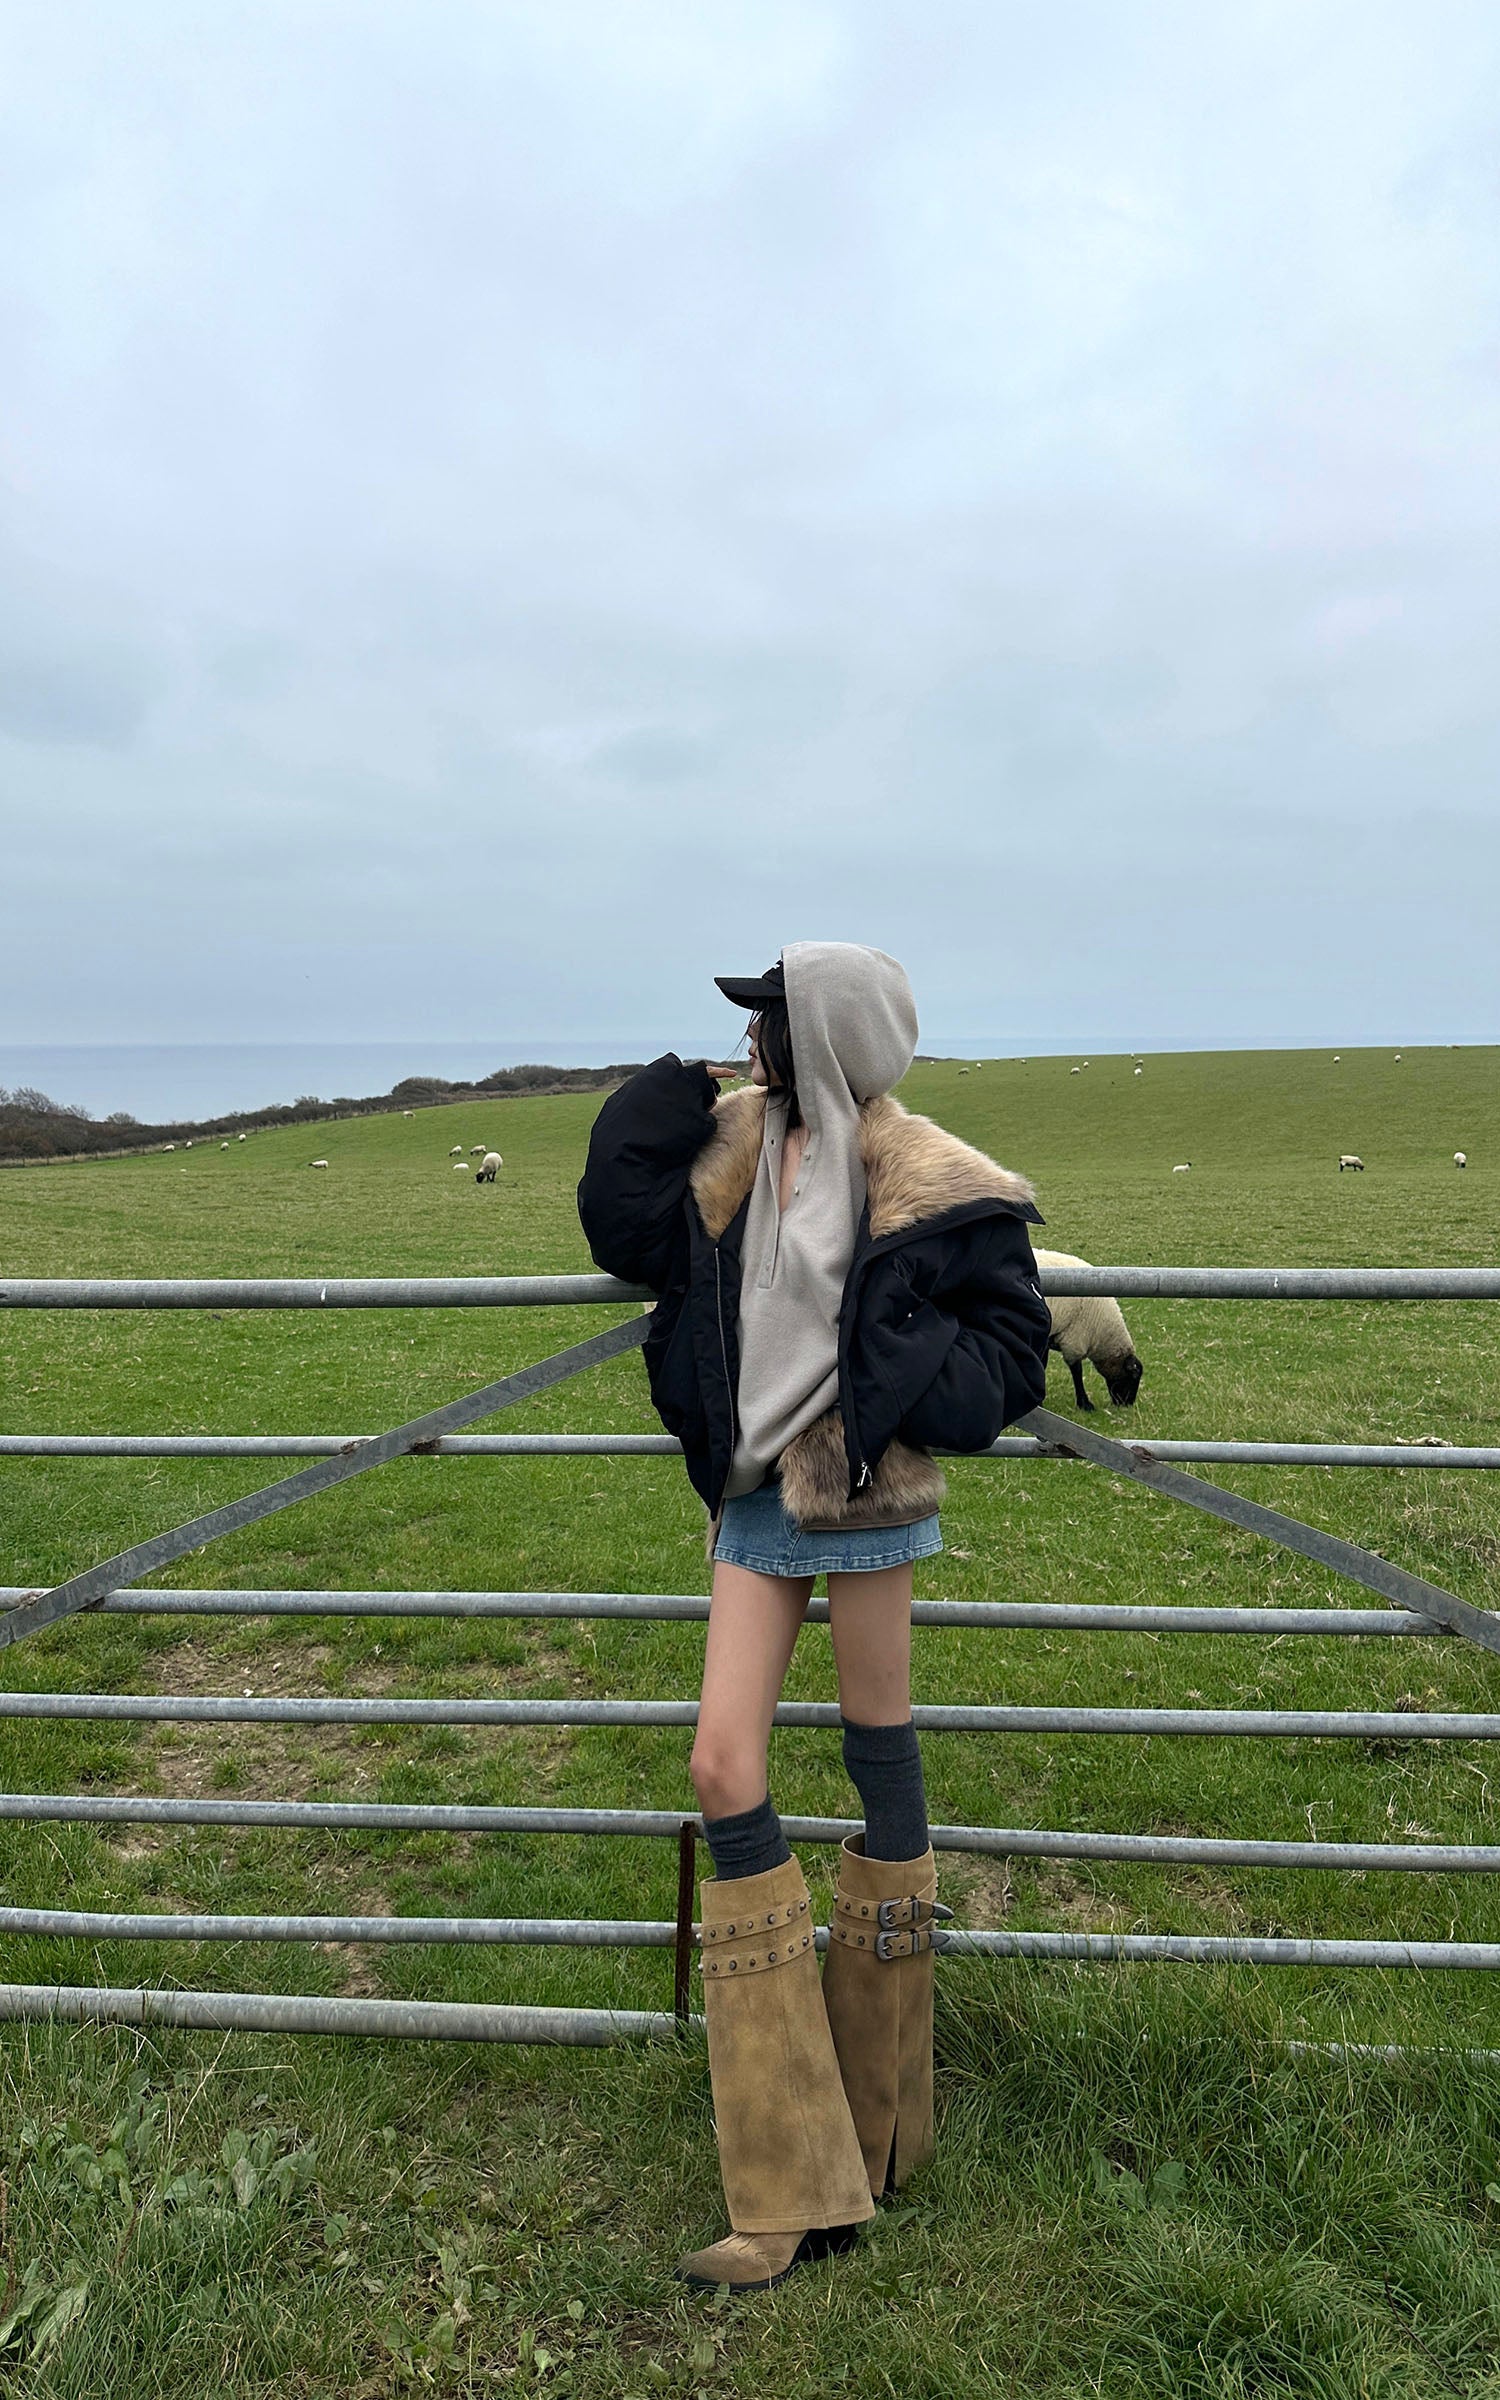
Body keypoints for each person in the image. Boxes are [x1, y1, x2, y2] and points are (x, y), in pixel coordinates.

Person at [577, 942, 1050, 2291]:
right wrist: (665, 1089)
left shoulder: (930, 1176)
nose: (750, 1043)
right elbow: (618, 1224)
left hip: (861, 1490)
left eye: (768, 1022)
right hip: (750, 1500)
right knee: (721, 1765)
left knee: (877, 1756)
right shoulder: (731, 1144)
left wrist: (894, 1379)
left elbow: (1012, 1351)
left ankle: (882, 2128)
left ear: (825, 1037)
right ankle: (791, 2178)